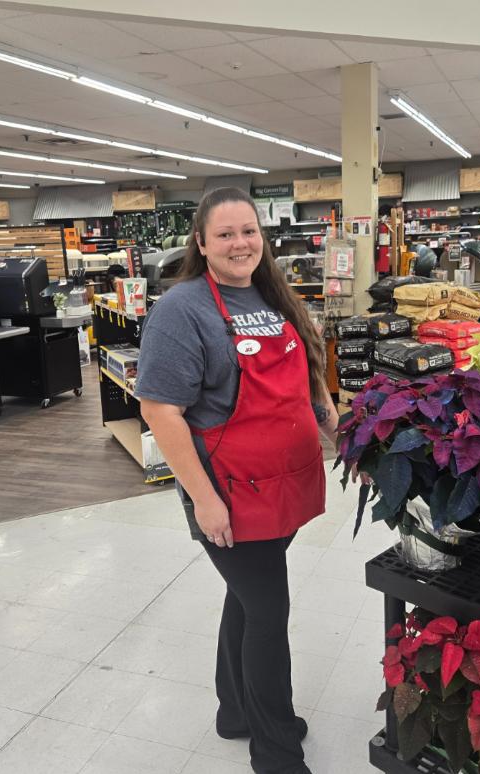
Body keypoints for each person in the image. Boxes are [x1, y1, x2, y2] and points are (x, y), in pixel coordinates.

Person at [137, 187, 336, 774]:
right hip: (228, 492)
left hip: (284, 482)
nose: (240, 243)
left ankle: (234, 710)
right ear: (201, 243)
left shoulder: (275, 295)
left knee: (248, 599)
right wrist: (204, 501)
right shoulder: (183, 309)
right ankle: (276, 750)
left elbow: (309, 375)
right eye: (224, 234)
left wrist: (335, 426)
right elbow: (160, 410)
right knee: (268, 612)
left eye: (249, 231)